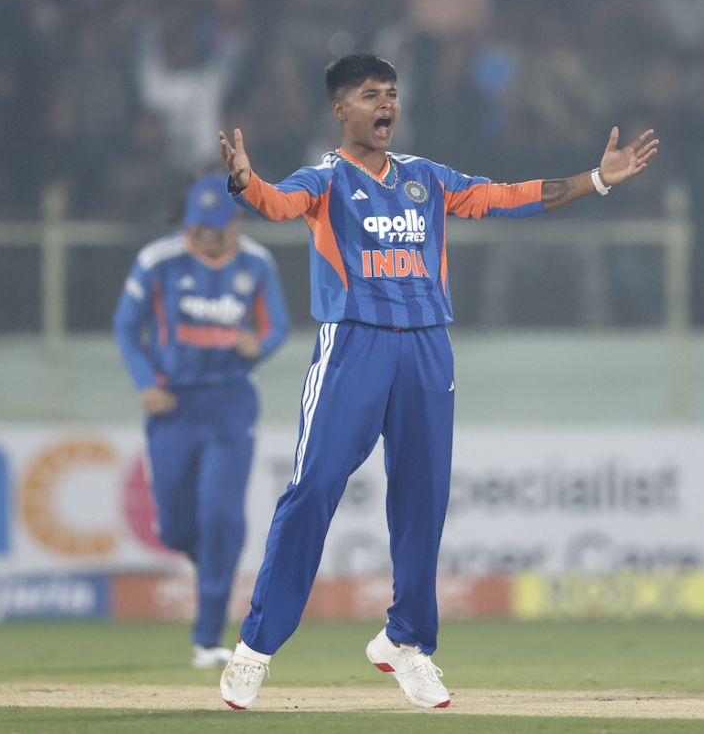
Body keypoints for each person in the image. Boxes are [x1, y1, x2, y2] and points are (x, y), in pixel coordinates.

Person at [216, 53, 659, 710]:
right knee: (312, 489)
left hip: (427, 348)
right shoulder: (327, 178)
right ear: (342, 109)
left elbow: (506, 197)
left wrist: (596, 179)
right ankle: (255, 647)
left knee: (423, 501)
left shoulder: (427, 177)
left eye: (391, 93)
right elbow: (280, 205)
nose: (386, 104)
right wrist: (247, 182)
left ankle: (407, 642)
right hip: (353, 344)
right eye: (371, 94)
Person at [112, 171, 290, 669]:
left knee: (221, 516)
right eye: (201, 227)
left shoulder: (256, 263)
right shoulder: (158, 260)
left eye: (217, 227)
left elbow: (278, 325)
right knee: (173, 528)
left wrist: (261, 345)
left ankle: (208, 637)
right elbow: (126, 328)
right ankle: (207, 558)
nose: (208, 237)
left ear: (233, 220)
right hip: (173, 405)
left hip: (231, 402)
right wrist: (146, 383)